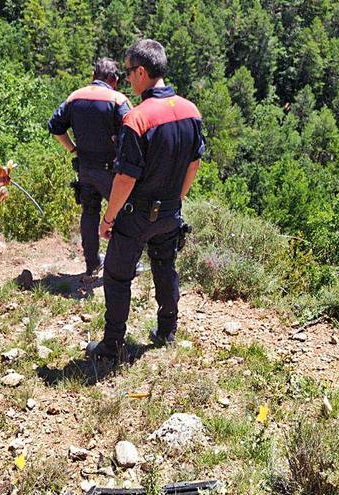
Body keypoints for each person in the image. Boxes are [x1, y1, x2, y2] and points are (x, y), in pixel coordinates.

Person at [86, 39, 206, 360]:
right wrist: (176, 200)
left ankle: (112, 345)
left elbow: (125, 178)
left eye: (128, 73)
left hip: (136, 215)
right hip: (170, 211)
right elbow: (194, 162)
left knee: (116, 275)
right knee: (165, 266)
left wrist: (108, 218)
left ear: (141, 71)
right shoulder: (190, 111)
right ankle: (167, 331)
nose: (127, 80)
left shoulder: (137, 119)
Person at [48, 58, 132, 281]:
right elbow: (132, 133)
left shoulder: (75, 97)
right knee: (123, 214)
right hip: (111, 170)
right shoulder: (118, 99)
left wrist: (73, 149)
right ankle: (123, 264)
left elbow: (54, 126)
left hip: (85, 167)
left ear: (93, 76)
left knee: (89, 213)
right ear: (113, 79)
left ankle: (92, 264)